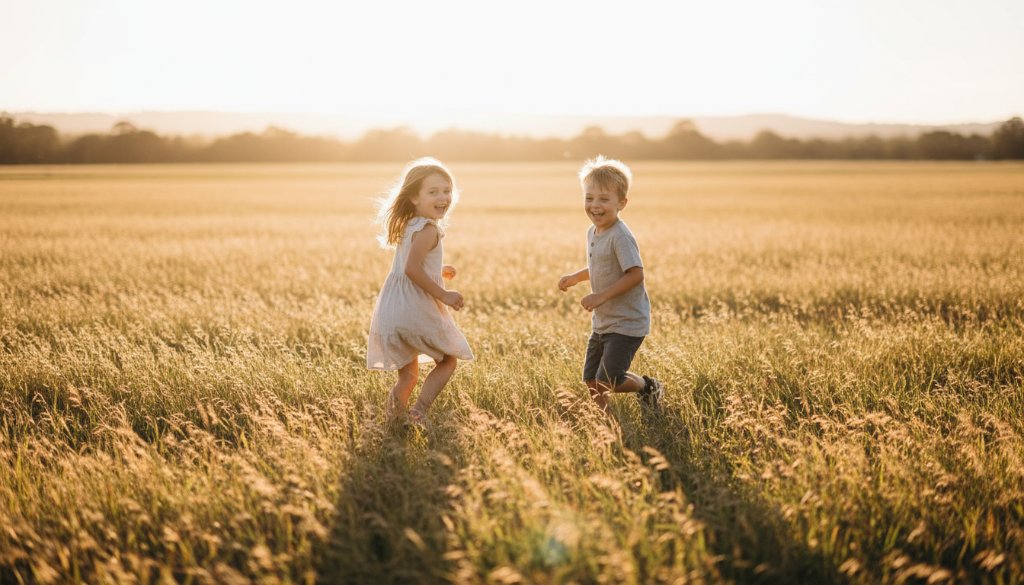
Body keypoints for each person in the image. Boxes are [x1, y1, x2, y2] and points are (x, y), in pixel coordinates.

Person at [367, 157, 473, 427]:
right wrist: (444, 294)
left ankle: (392, 422)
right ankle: (420, 410)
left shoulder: (409, 225)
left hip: (392, 309)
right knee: (448, 359)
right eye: (433, 192)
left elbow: (413, 263)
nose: (443, 197)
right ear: (414, 197)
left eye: (447, 191)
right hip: (414, 307)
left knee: (408, 376)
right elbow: (413, 269)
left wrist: (438, 269)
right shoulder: (428, 229)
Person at [558, 155, 663, 412]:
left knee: (610, 380)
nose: (595, 205)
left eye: (604, 199)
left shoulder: (620, 236)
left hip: (626, 322)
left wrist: (600, 297)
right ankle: (603, 423)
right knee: (592, 380)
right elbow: (600, 267)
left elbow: (635, 274)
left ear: (621, 203)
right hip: (603, 322)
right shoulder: (593, 232)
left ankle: (648, 387)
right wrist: (576, 277)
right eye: (589, 198)